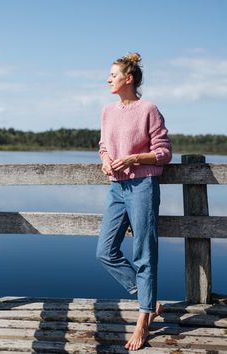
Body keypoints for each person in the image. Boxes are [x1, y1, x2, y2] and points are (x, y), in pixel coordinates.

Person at [96, 52, 172, 351]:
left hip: (143, 186)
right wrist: (105, 160)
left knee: (144, 253)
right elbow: (103, 145)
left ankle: (143, 322)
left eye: (112, 75)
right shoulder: (106, 111)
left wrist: (134, 158)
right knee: (105, 251)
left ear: (128, 79)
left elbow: (164, 152)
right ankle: (148, 299)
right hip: (116, 188)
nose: (108, 79)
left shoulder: (148, 109)